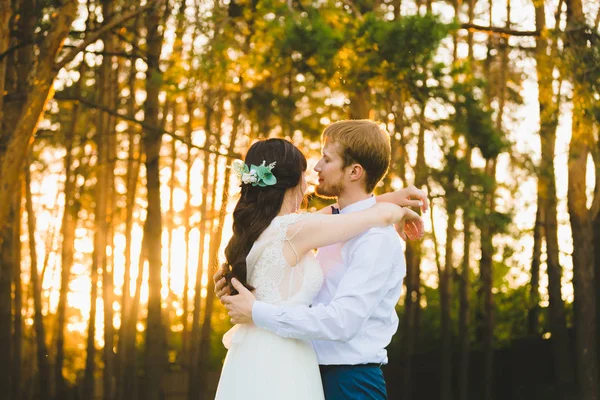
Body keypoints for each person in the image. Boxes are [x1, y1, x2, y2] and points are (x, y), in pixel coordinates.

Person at [213, 133, 424, 400]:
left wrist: (390, 198)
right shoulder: (299, 229)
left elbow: (339, 215)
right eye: (306, 169)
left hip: (326, 374)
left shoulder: (261, 232)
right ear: (294, 182)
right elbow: (360, 214)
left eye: (326, 159)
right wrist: (395, 210)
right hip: (292, 365)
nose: (315, 169)